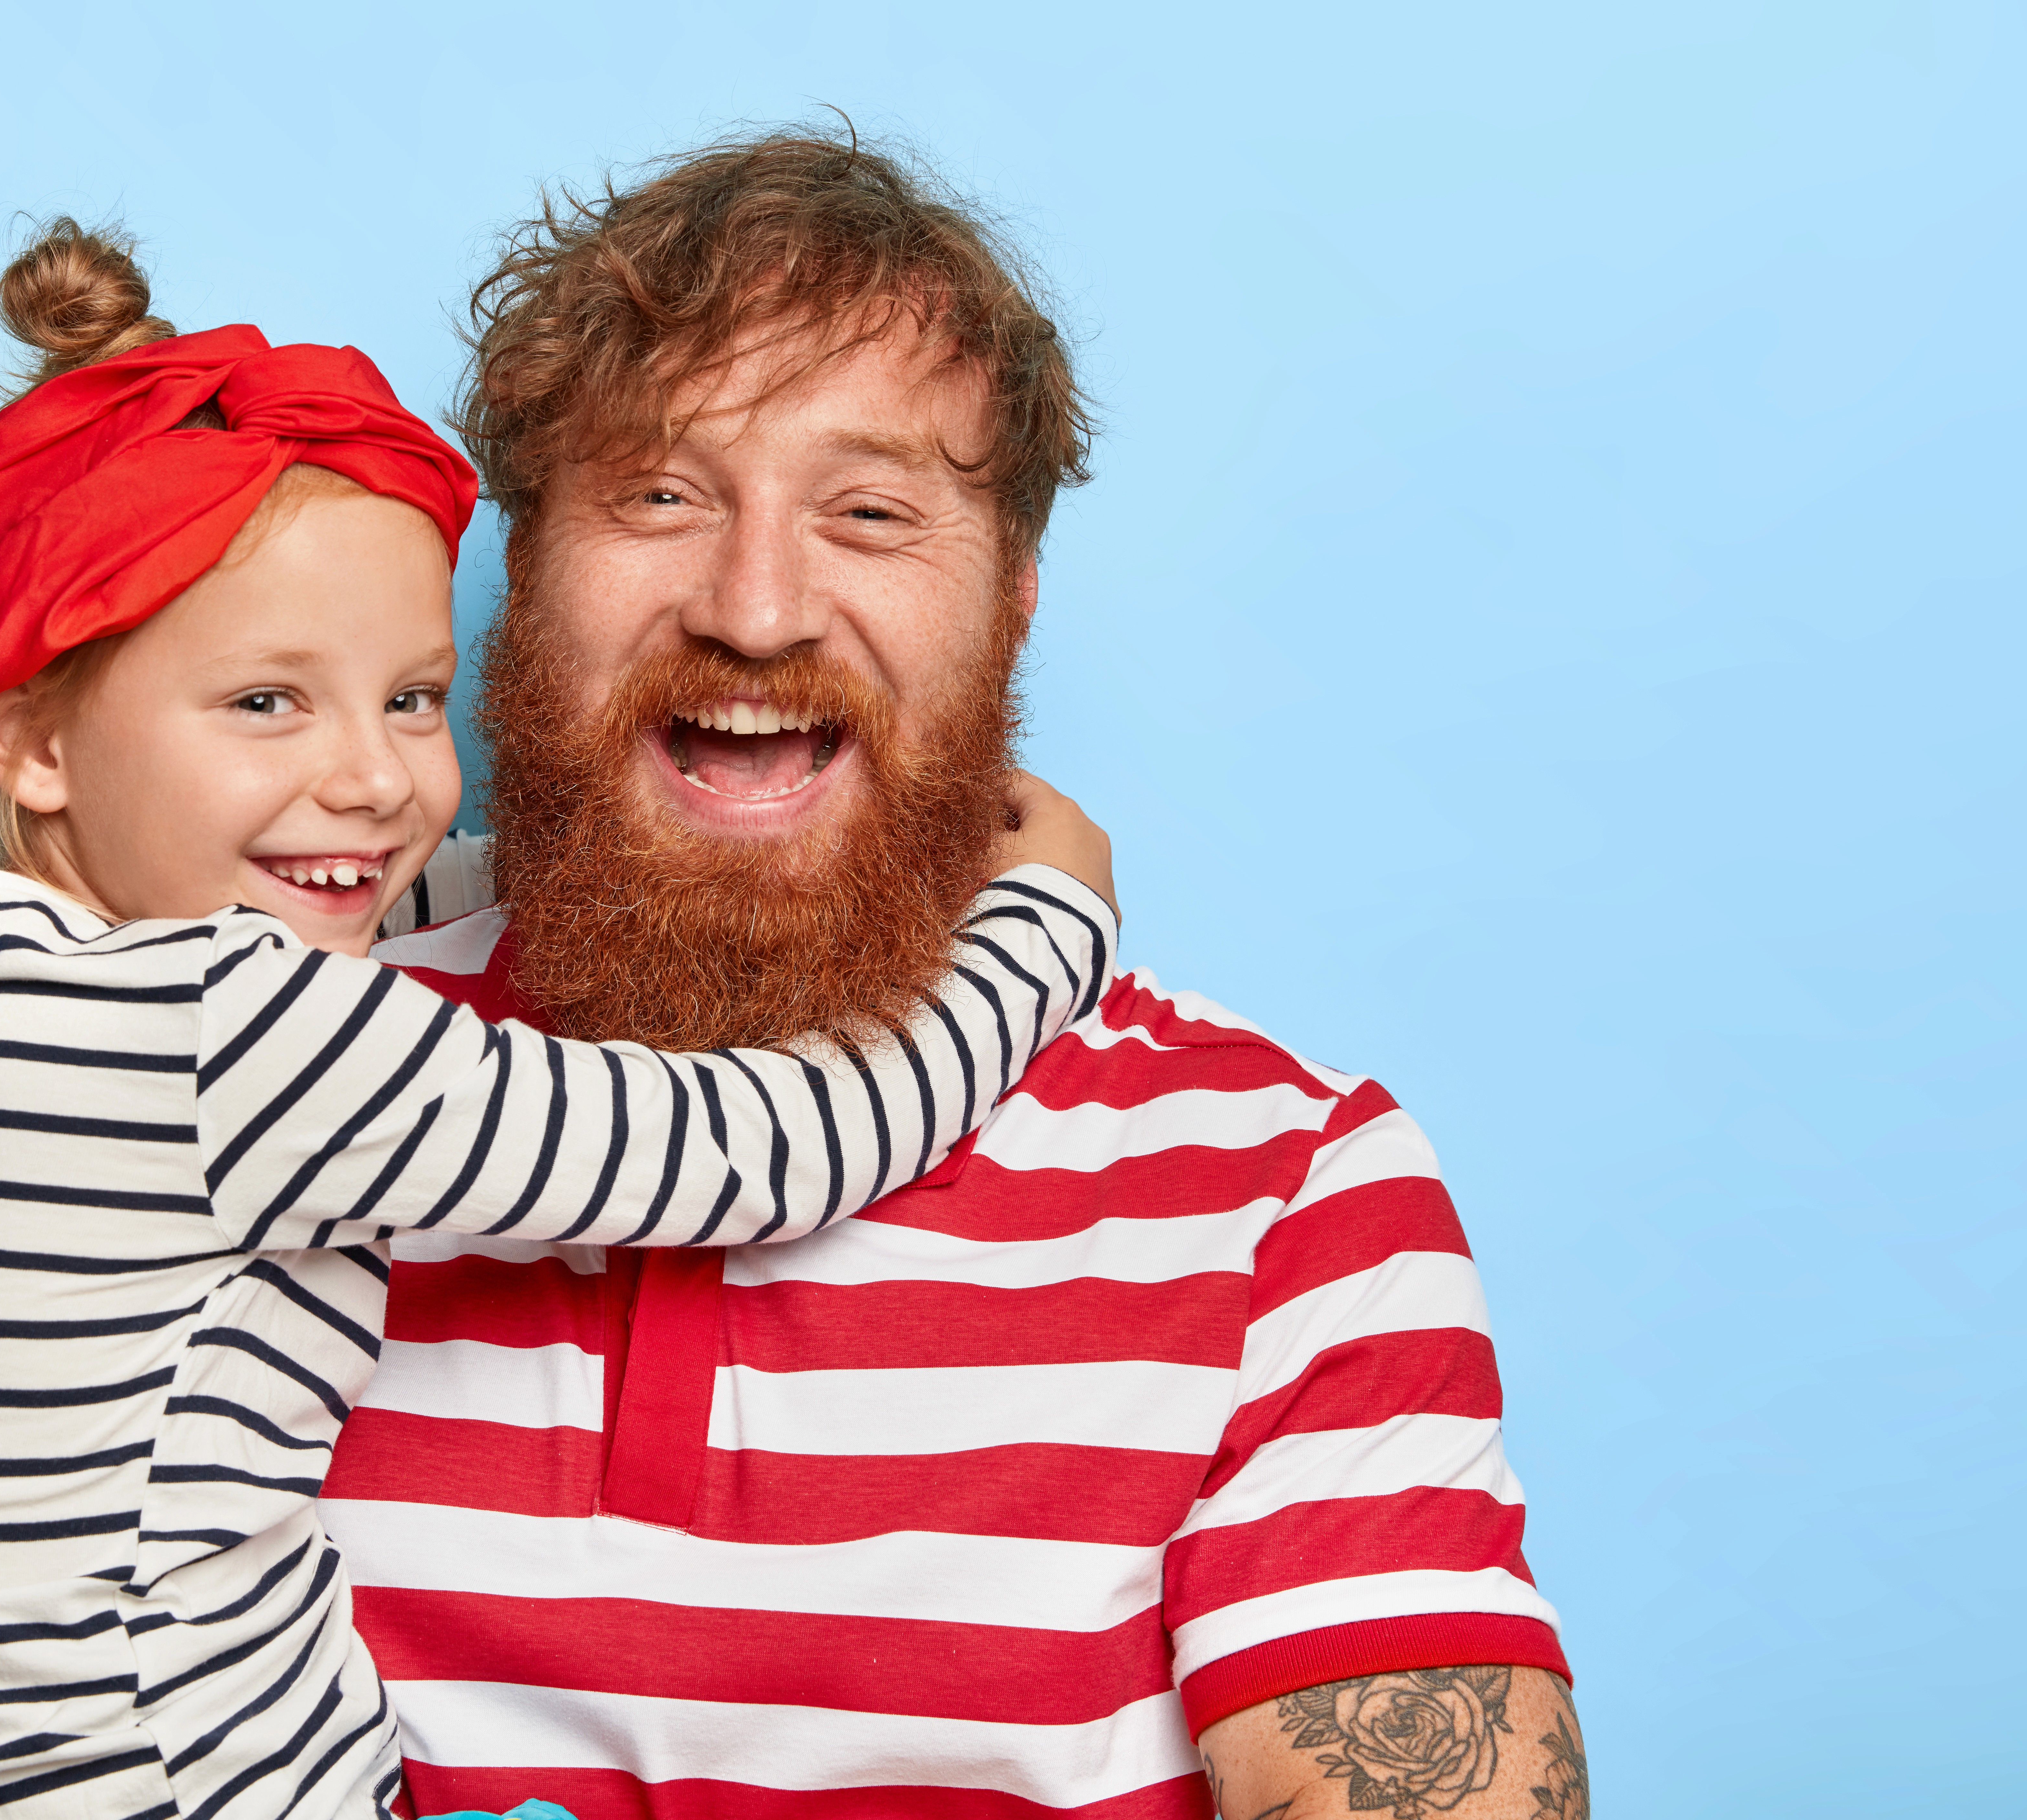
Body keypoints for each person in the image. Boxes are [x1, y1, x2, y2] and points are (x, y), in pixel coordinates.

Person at [0, 221, 1123, 1820]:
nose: (377, 781)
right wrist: (1038, 929)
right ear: (36, 745)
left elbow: (326, 901)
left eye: (410, 699)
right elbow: (761, 1149)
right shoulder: (233, 1043)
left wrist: (636, 861)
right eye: (267, 702)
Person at [323, 134, 1590, 1819]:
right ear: (516, 571)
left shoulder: (1287, 1197)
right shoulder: (248, 1086)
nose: (758, 609)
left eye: (870, 512)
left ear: (1010, 601)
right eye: (661, 495)